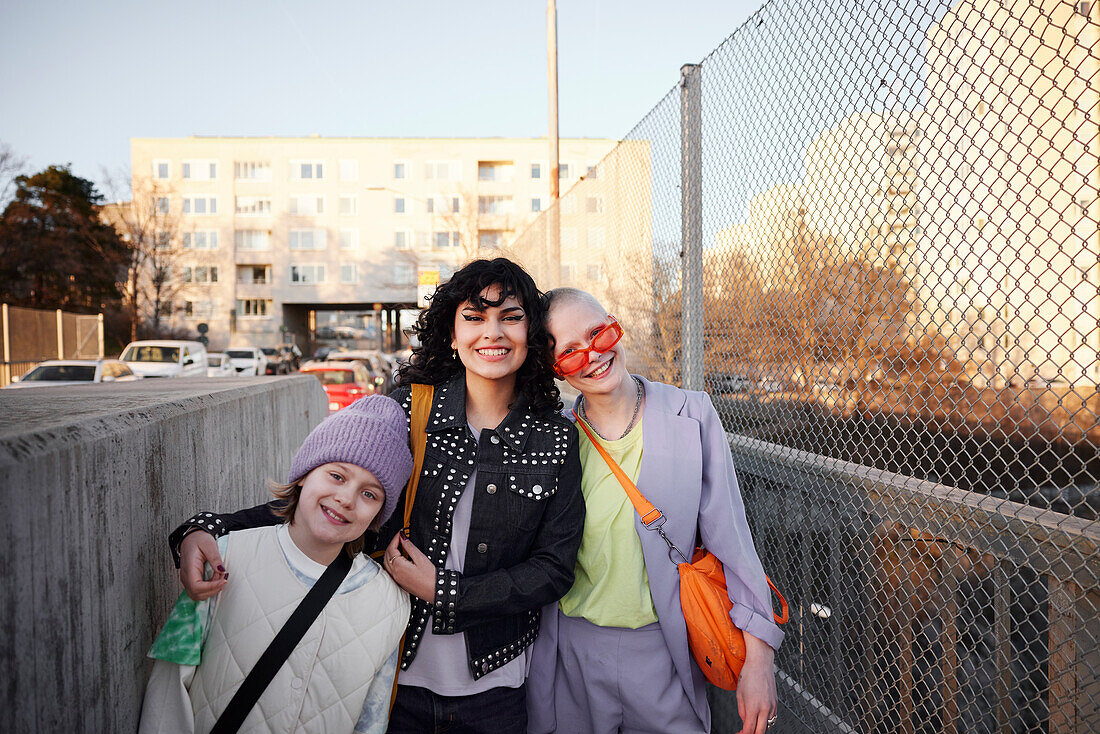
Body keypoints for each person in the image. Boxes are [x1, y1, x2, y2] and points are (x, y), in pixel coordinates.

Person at [170, 258, 585, 734]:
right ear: (452, 334)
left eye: (510, 317)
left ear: (529, 333)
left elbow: (553, 569)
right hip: (388, 674)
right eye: (473, 317)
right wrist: (208, 528)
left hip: (495, 687)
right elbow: (329, 501)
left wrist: (446, 591)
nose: (492, 332)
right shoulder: (410, 406)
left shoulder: (555, 435)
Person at [526, 288, 784, 734]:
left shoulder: (692, 413)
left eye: (597, 333)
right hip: (572, 653)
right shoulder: (553, 438)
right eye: (569, 351)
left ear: (614, 323)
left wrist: (759, 656)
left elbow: (733, 541)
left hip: (665, 652)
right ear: (555, 370)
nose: (592, 355)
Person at [139, 395, 414, 734]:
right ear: (303, 474)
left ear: (379, 515)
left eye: (369, 494)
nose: (346, 498)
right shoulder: (223, 559)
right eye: (336, 476)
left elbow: (372, 719)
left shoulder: (389, 605)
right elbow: (167, 690)